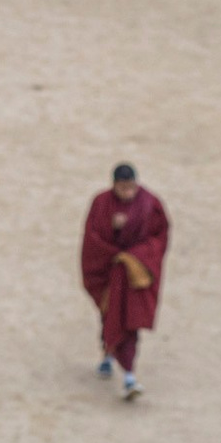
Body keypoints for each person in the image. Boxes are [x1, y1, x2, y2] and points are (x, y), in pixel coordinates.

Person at [80, 163, 167, 402]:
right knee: (110, 313)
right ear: (114, 185)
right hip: (109, 272)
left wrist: (133, 258)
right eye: (122, 188)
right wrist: (114, 229)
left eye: (131, 187)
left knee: (130, 322)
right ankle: (108, 353)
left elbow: (159, 239)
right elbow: (92, 237)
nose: (127, 193)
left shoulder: (150, 205)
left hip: (134, 274)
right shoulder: (101, 204)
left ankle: (129, 375)